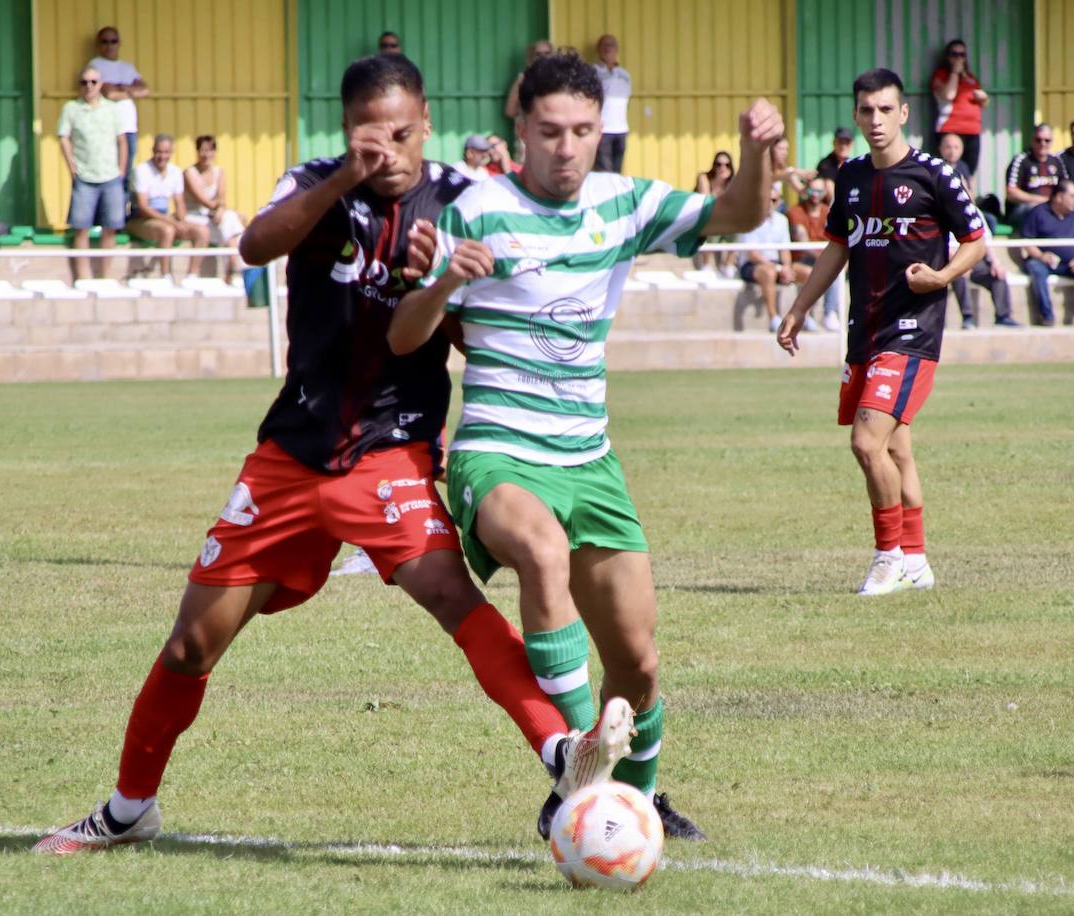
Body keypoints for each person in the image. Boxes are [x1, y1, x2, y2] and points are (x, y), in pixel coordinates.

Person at [33, 53, 631, 856]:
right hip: (291, 453)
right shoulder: (313, 182)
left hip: (392, 453)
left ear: (426, 123)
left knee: (454, 600)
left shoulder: (461, 200)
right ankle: (128, 807)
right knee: (190, 645)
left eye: (404, 133)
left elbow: (480, 325)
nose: (391, 149)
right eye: (370, 135)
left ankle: (563, 754)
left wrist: (449, 301)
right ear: (348, 130)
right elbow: (254, 245)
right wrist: (342, 177)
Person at [389, 50, 785, 841]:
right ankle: (576, 765)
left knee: (637, 664)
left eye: (581, 131)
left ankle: (638, 798)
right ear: (520, 130)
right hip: (497, 451)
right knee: (539, 551)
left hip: (590, 461)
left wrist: (757, 153)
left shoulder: (624, 202)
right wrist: (437, 286)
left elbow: (739, 213)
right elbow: (404, 339)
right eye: (549, 132)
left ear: (600, 128)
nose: (566, 147)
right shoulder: (473, 209)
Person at [777, 68, 986, 596]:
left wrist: (940, 277)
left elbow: (977, 239)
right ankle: (916, 560)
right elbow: (837, 247)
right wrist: (800, 307)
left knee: (866, 443)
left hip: (913, 333)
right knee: (896, 452)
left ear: (903, 113)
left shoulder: (934, 174)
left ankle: (887, 555)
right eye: (866, 111)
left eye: (885, 110)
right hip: (865, 332)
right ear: (856, 114)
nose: (876, 120)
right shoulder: (850, 176)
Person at [56, 67, 128, 281]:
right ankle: (84, 278)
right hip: (84, 177)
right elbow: (63, 137)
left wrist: (122, 170)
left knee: (111, 228)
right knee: (81, 228)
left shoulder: (113, 109)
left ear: (101, 84)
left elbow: (122, 141)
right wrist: (71, 166)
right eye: (84, 82)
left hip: (111, 176)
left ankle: (105, 277)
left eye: (93, 82)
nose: (89, 86)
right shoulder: (71, 108)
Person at [1019, 181, 1074, 326]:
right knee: (1035, 268)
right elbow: (1027, 241)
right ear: (1059, 197)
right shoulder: (1038, 212)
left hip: (1071, 264)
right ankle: (1047, 316)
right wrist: (1041, 256)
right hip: (1044, 262)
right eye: (1072, 196)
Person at [128, 135, 210, 279]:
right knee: (167, 230)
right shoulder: (142, 171)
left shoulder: (175, 172)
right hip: (140, 219)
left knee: (202, 231)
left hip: (164, 217)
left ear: (171, 152)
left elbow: (179, 203)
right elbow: (143, 207)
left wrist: (181, 220)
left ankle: (192, 275)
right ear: (153, 150)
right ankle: (166, 275)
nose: (162, 156)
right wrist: (171, 222)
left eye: (166, 152)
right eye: (159, 152)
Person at [89, 26, 149, 192]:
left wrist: (121, 88)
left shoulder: (127, 67)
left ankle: (123, 212)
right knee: (109, 173)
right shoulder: (95, 65)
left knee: (126, 172)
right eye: (105, 42)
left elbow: (144, 90)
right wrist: (130, 89)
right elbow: (109, 93)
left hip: (129, 127)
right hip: (107, 128)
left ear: (119, 43)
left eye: (113, 41)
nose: (109, 46)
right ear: (98, 45)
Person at [183, 135, 247, 278]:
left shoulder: (219, 171)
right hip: (194, 215)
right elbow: (201, 199)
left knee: (235, 223)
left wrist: (220, 210)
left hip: (213, 216)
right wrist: (219, 209)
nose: (206, 154)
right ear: (197, 151)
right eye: (203, 150)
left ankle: (231, 272)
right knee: (232, 222)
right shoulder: (189, 173)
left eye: (210, 150)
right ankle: (193, 274)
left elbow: (221, 197)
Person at [737, 184, 799, 331]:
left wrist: (786, 268)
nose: (770, 203)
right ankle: (774, 319)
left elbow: (785, 250)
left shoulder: (782, 220)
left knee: (807, 273)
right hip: (751, 265)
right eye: (767, 199)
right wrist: (778, 268)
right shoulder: (749, 219)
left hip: (774, 264)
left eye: (774, 200)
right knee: (769, 272)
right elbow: (752, 254)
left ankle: (802, 316)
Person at [787, 178, 842, 330]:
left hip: (824, 257)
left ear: (824, 192)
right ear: (806, 191)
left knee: (835, 271)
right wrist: (827, 259)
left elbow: (837, 240)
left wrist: (829, 259)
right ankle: (805, 315)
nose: (815, 195)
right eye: (811, 190)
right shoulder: (795, 211)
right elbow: (802, 239)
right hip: (802, 260)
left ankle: (829, 313)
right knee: (813, 272)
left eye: (818, 191)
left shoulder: (829, 211)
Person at [930, 39, 987, 176]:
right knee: (946, 172)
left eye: (962, 55)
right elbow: (949, 95)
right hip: (951, 128)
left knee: (968, 171)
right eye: (954, 54)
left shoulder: (971, 78)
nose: (958, 58)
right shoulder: (941, 75)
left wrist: (984, 98)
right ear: (947, 57)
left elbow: (982, 105)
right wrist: (955, 72)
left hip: (972, 130)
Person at [948, 236, 1019, 329]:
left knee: (998, 274)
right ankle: (968, 318)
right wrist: (960, 264)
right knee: (959, 275)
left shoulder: (979, 222)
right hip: (953, 261)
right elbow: (944, 246)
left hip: (975, 261)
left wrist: (995, 263)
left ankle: (1003, 316)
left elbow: (985, 242)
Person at [1004, 124, 1065, 227]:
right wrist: (1043, 201)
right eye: (1038, 140)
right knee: (1039, 211)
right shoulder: (1021, 160)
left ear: (1052, 142)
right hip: (1023, 209)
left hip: (1051, 207)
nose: (1042, 144)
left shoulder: (1057, 161)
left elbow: (1066, 188)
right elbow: (1011, 193)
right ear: (1032, 140)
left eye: (1047, 140)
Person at [938, 132, 997, 234]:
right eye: (948, 147)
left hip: (964, 208)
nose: (952, 151)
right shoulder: (937, 167)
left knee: (989, 219)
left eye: (956, 147)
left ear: (962, 150)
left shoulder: (963, 167)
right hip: (946, 210)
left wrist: (964, 186)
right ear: (941, 149)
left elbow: (971, 198)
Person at [592, 34, 631, 173]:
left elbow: (627, 100)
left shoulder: (624, 74)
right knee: (604, 171)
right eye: (605, 45)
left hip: (621, 129)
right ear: (599, 49)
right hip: (603, 130)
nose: (608, 48)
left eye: (611, 45)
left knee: (617, 171)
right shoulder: (594, 71)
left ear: (617, 49)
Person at [695, 151, 736, 274]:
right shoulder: (704, 178)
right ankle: (706, 264)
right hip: (701, 217)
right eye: (719, 165)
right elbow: (707, 202)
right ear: (714, 166)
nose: (722, 168)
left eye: (726, 165)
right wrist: (719, 180)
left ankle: (728, 265)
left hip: (724, 220)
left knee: (739, 228)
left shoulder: (732, 182)